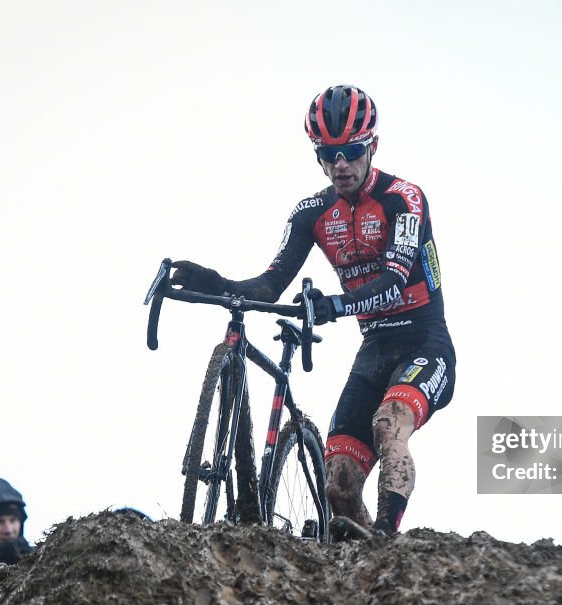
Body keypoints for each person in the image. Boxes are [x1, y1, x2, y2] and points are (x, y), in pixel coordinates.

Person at [170, 84, 455, 537]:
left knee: (388, 424)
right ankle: (375, 561)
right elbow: (269, 284)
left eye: (351, 151)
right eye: (328, 153)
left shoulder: (405, 198)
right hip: (373, 348)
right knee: (338, 480)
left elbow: (394, 281)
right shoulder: (312, 213)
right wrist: (216, 281)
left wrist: (336, 305)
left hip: (423, 342)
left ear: (372, 147)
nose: (339, 164)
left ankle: (385, 536)